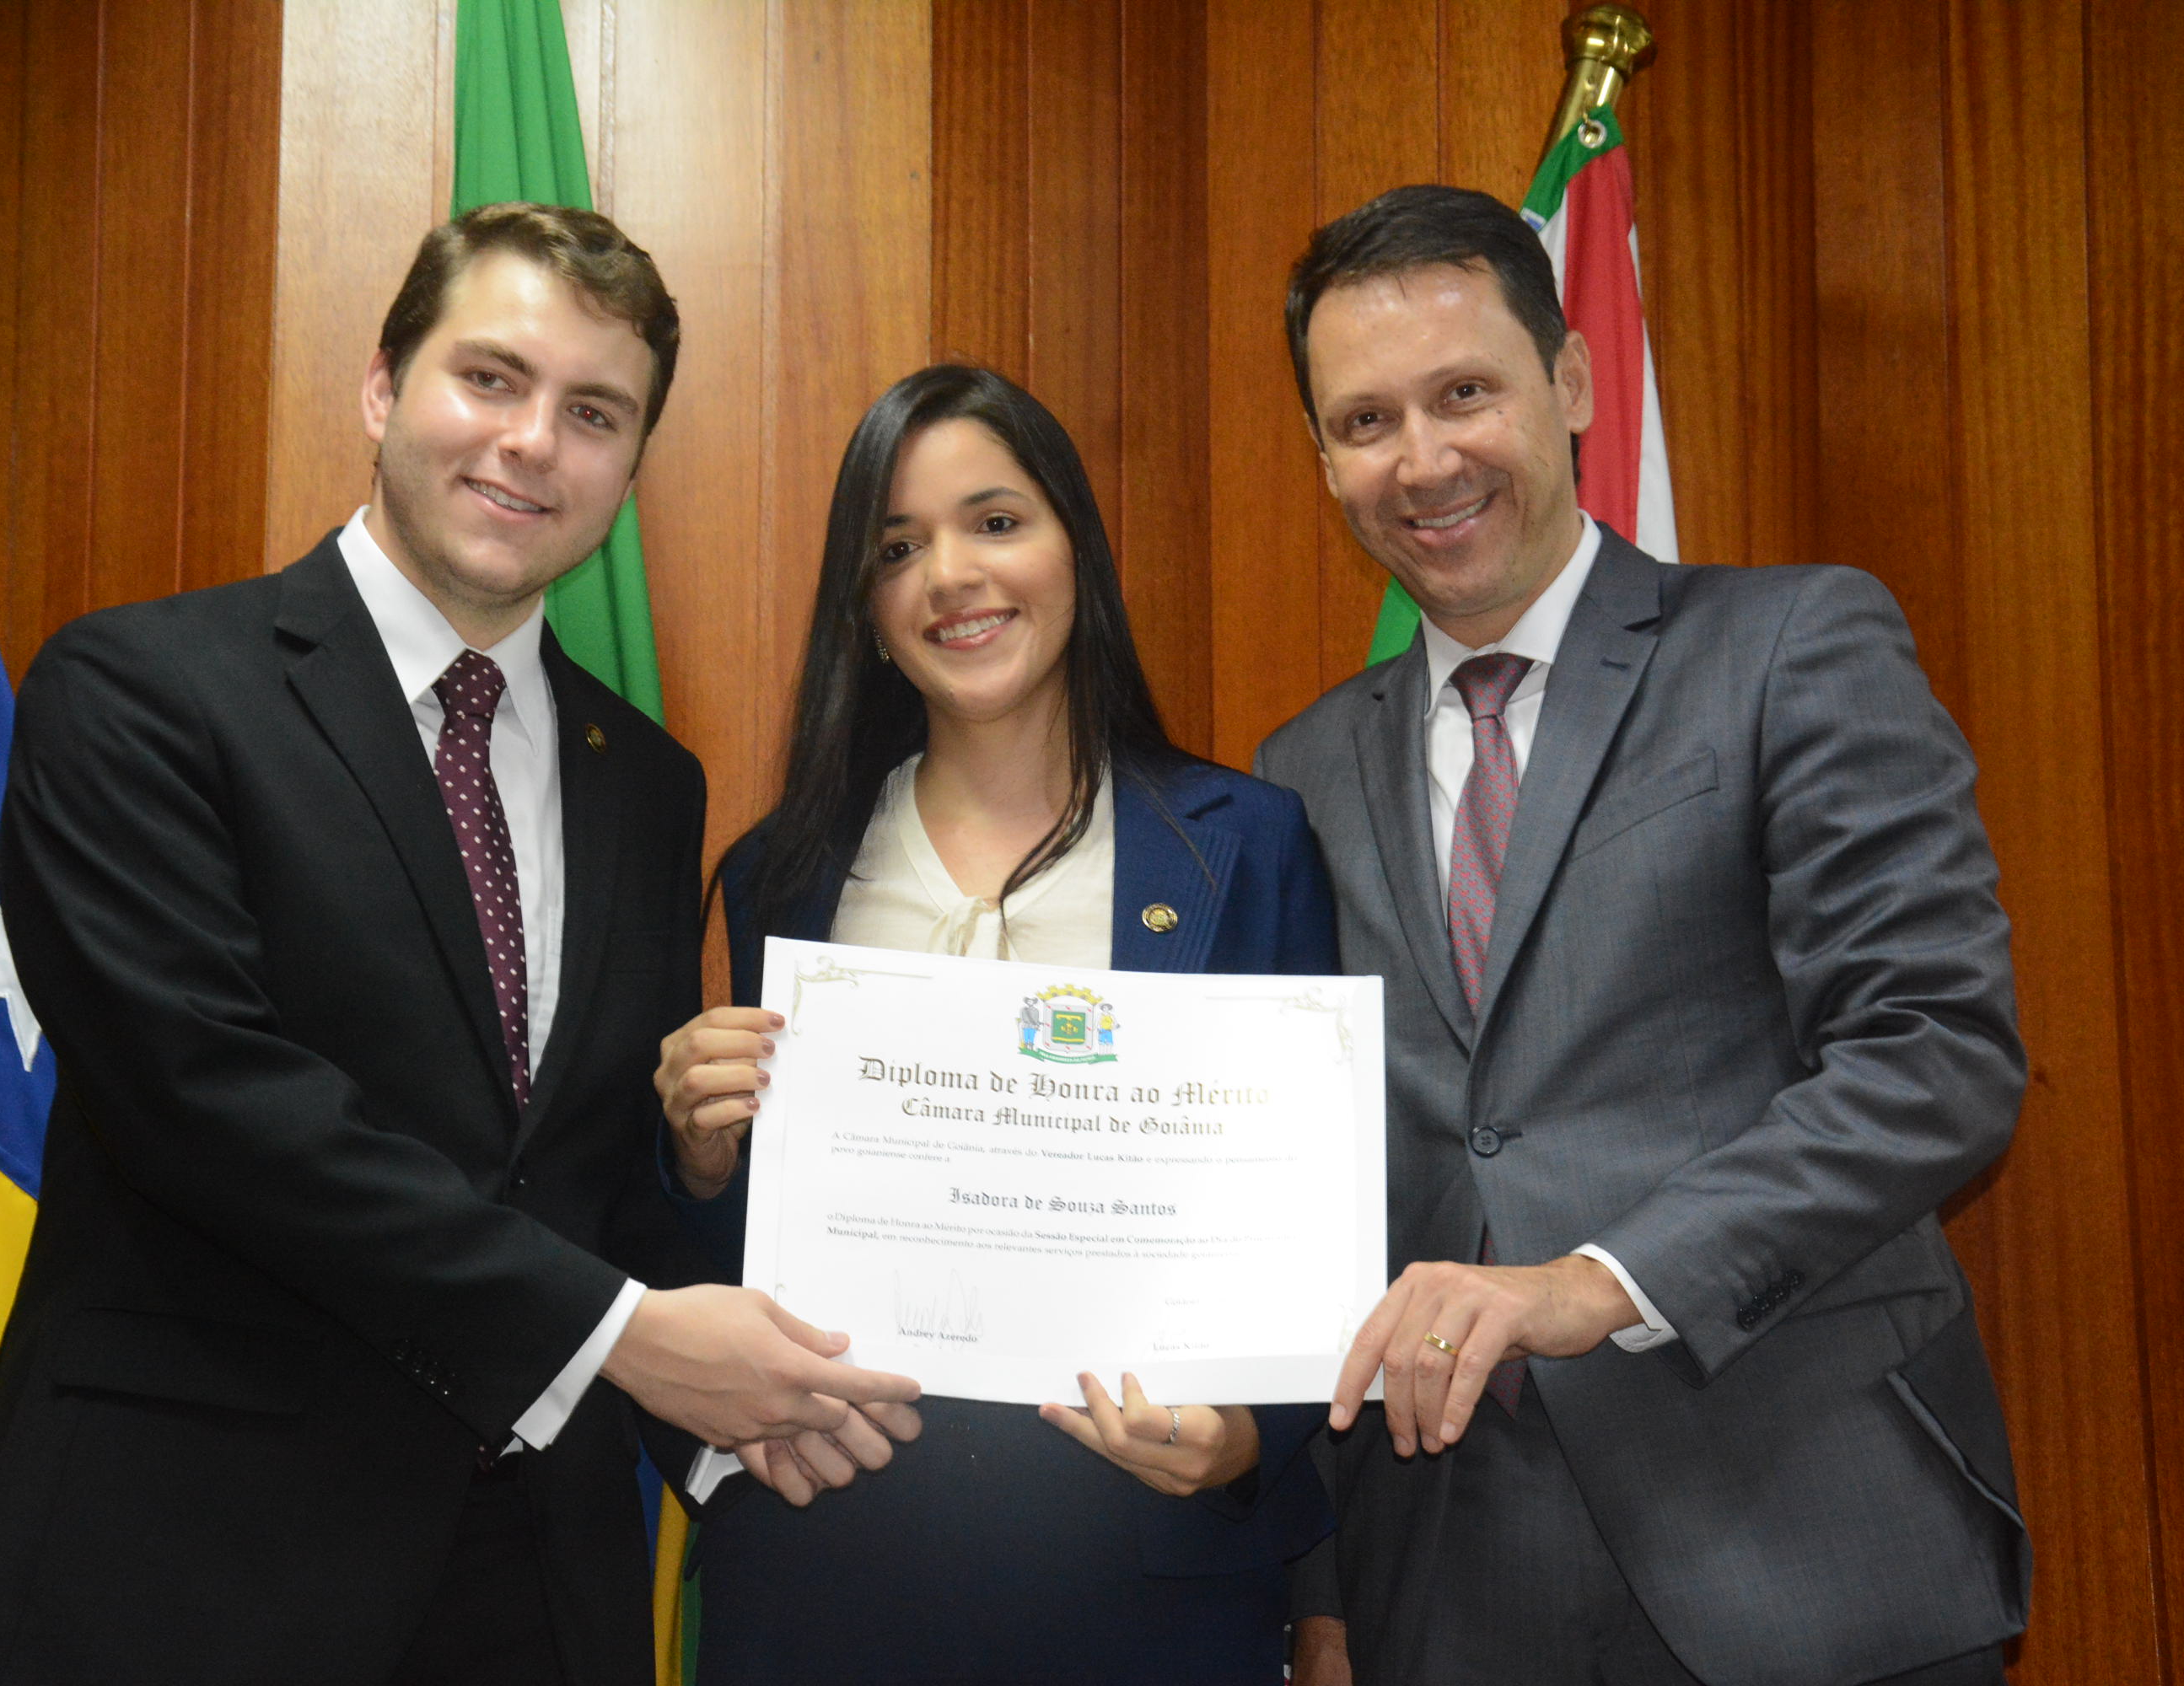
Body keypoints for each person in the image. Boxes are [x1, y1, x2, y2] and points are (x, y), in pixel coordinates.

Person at [0, 204, 920, 1686]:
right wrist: (623, 1336)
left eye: (595, 414)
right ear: (384, 388)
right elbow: (210, 1103)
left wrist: (753, 1404)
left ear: (630, 472)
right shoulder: (142, 691)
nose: (533, 443)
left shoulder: (647, 783)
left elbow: (580, 1178)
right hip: (184, 1572)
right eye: (490, 378)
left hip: (535, 1594)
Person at [1260, 185, 2029, 1686]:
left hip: (1806, 1538)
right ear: (1325, 458)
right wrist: (1322, 1589)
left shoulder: (1790, 645)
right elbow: (1312, 1194)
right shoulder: (1296, 775)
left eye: (1465, 393)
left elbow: (1934, 1055)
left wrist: (1591, 1282)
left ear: (1572, 382)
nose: (1423, 460)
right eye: (1365, 422)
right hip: (1451, 1587)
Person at [653, 364, 1338, 1683]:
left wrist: (1250, 1433)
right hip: (826, 1574)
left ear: (1076, 549)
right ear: (866, 610)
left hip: (1141, 1586)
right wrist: (698, 1160)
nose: (951, 576)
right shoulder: (779, 874)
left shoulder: (1247, 846)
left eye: (997, 521)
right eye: (897, 548)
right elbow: (710, 1271)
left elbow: (1315, 1220)